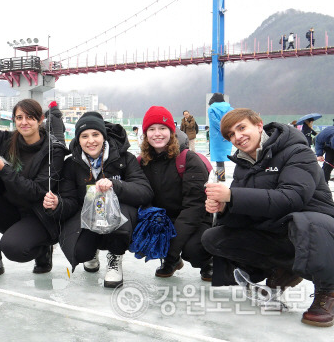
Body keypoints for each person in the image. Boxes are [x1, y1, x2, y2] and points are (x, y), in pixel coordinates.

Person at [203, 108, 334, 327]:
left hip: (318, 225)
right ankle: (283, 269)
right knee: (214, 237)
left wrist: (232, 195)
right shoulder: (244, 164)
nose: (238, 137)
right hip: (279, 228)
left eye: (241, 128)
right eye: (231, 135)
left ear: (259, 125)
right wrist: (224, 207)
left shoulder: (297, 151)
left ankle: (328, 288)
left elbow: (292, 198)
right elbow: (244, 212)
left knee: (303, 223)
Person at [0, 81, 68, 282]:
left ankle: (42, 250)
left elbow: (37, 191)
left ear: (40, 120)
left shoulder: (53, 150)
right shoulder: (7, 139)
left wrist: (5, 169)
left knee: (14, 249)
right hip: (11, 210)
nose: (24, 122)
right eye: (19, 117)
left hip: (37, 215)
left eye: (30, 117)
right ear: (14, 120)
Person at [47, 112, 153, 288]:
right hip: (87, 216)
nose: (91, 141)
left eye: (95, 134)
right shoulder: (71, 164)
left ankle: (115, 257)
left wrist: (115, 185)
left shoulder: (125, 159)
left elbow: (144, 191)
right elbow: (70, 201)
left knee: (122, 215)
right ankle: (91, 253)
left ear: (103, 136)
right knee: (80, 251)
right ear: (78, 140)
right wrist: (58, 203)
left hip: (117, 215)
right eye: (84, 136)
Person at [139, 106, 213, 280]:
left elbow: (195, 206)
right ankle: (171, 259)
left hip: (195, 218)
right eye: (151, 129)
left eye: (162, 128)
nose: (157, 134)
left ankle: (208, 261)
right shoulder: (142, 162)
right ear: (145, 134)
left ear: (172, 132)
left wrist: (171, 247)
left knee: (192, 248)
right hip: (165, 218)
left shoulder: (188, 159)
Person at [208, 92, 233, 181]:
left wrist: (222, 129)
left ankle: (221, 176)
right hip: (227, 134)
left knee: (218, 157)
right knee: (223, 156)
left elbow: (214, 122)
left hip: (216, 136)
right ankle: (219, 173)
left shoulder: (211, 109)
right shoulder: (230, 109)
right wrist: (227, 130)